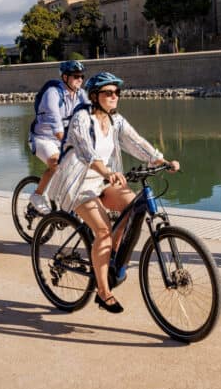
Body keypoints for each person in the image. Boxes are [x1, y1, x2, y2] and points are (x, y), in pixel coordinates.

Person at [47, 71, 179, 313]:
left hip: (104, 179)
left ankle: (111, 257)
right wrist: (107, 172)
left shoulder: (116, 120)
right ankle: (103, 291)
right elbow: (87, 152)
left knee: (133, 207)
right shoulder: (81, 118)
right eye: (109, 93)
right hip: (78, 182)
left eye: (117, 92)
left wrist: (160, 160)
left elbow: (135, 141)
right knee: (104, 231)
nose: (114, 96)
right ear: (95, 96)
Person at [28, 61, 88, 214]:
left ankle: (61, 199)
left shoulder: (80, 94)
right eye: (76, 76)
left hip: (64, 137)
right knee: (56, 162)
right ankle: (37, 195)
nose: (80, 80)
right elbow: (57, 128)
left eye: (82, 76)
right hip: (43, 138)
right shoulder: (52, 94)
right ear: (65, 77)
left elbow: (91, 115)